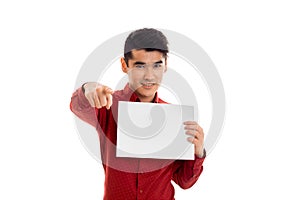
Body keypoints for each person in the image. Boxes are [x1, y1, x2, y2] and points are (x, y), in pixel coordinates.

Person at [70, 28, 205, 200]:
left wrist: (198, 151)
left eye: (157, 65)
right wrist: (87, 87)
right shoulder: (109, 104)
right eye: (140, 66)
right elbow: (77, 107)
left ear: (166, 65)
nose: (149, 76)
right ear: (124, 65)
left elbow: (184, 181)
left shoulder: (174, 118)